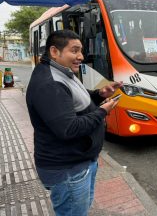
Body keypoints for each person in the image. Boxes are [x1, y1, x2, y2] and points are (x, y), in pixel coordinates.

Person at [26, 30, 123, 216]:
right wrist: (103, 111)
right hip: (68, 170)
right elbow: (68, 129)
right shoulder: (49, 83)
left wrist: (99, 94)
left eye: (81, 51)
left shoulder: (61, 72)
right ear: (54, 52)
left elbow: (74, 100)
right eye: (75, 50)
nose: (81, 56)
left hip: (79, 163)